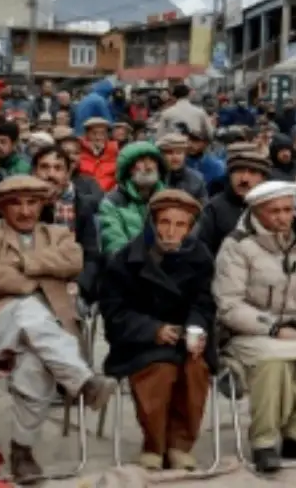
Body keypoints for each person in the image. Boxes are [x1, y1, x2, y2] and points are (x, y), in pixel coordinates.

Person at [0, 174, 115, 481]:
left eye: (32, 203)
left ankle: (22, 451)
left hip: (45, 336)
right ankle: (83, 381)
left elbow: (73, 261)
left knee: (35, 363)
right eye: (16, 204)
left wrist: (20, 264)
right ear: (2, 208)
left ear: (42, 205)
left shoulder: (58, 233)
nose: (25, 211)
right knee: (27, 309)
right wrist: (37, 282)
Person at [213, 181, 296, 474]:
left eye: (288, 209)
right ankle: (264, 442)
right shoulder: (237, 246)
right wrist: (273, 328)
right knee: (272, 360)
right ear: (257, 212)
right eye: (275, 211)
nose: (284, 217)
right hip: (249, 332)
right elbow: (229, 304)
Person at [99, 189, 216, 471]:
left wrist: (197, 329)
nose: (171, 231)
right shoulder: (126, 260)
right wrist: (154, 330)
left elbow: (204, 302)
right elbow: (114, 313)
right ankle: (154, 444)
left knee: (195, 368)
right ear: (152, 222)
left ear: (189, 228)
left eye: (180, 225)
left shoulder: (200, 257)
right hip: (141, 341)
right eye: (165, 222)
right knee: (159, 370)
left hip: (184, 336)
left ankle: (179, 444)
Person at [31, 144, 103, 301]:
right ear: (34, 172)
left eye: (58, 168)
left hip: (71, 281)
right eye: (44, 167)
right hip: (32, 280)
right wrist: (42, 204)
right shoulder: (22, 203)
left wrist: (79, 284)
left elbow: (91, 257)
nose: (51, 174)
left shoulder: (81, 205)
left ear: (68, 174)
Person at [192, 147, 269, 256]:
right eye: (239, 171)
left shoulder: (274, 207)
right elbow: (200, 250)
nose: (244, 179)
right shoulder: (214, 208)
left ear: (263, 178)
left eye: (252, 172)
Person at [98, 141, 167, 256]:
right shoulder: (112, 203)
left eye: (152, 160)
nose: (148, 166)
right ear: (129, 168)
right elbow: (114, 246)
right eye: (141, 161)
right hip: (128, 263)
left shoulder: (169, 199)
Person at [157, 133, 208, 204]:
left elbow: (203, 207)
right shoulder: (154, 179)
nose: (175, 157)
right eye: (170, 153)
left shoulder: (196, 180)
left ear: (185, 155)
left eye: (179, 152)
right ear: (161, 155)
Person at [79, 117, 120, 194]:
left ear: (107, 135)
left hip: (109, 196)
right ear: (86, 134)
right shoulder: (78, 152)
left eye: (102, 133)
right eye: (94, 133)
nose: (98, 137)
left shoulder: (116, 154)